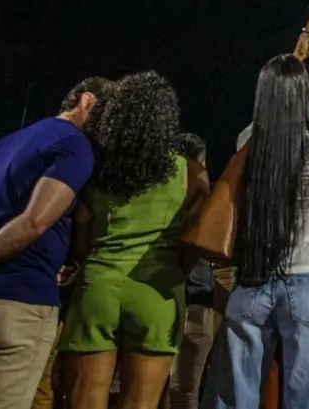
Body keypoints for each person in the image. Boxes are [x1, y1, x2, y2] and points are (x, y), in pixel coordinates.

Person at [202, 20, 309, 409]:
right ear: (304, 98)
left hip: (253, 280)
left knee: (235, 395)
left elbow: (264, 120)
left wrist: (296, 59)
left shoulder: (249, 144)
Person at [60, 72, 210, 409]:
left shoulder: (97, 167)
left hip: (99, 287)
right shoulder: (190, 171)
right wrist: (175, 272)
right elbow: (195, 241)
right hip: (158, 291)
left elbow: (81, 235)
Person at [0, 77, 111, 409]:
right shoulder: (74, 144)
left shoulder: (9, 142)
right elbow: (35, 221)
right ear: (86, 100)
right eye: (110, 112)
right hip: (22, 301)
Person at [169, 132, 221, 409]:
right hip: (195, 297)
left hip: (157, 294)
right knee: (184, 389)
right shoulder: (201, 186)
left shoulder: (158, 189)